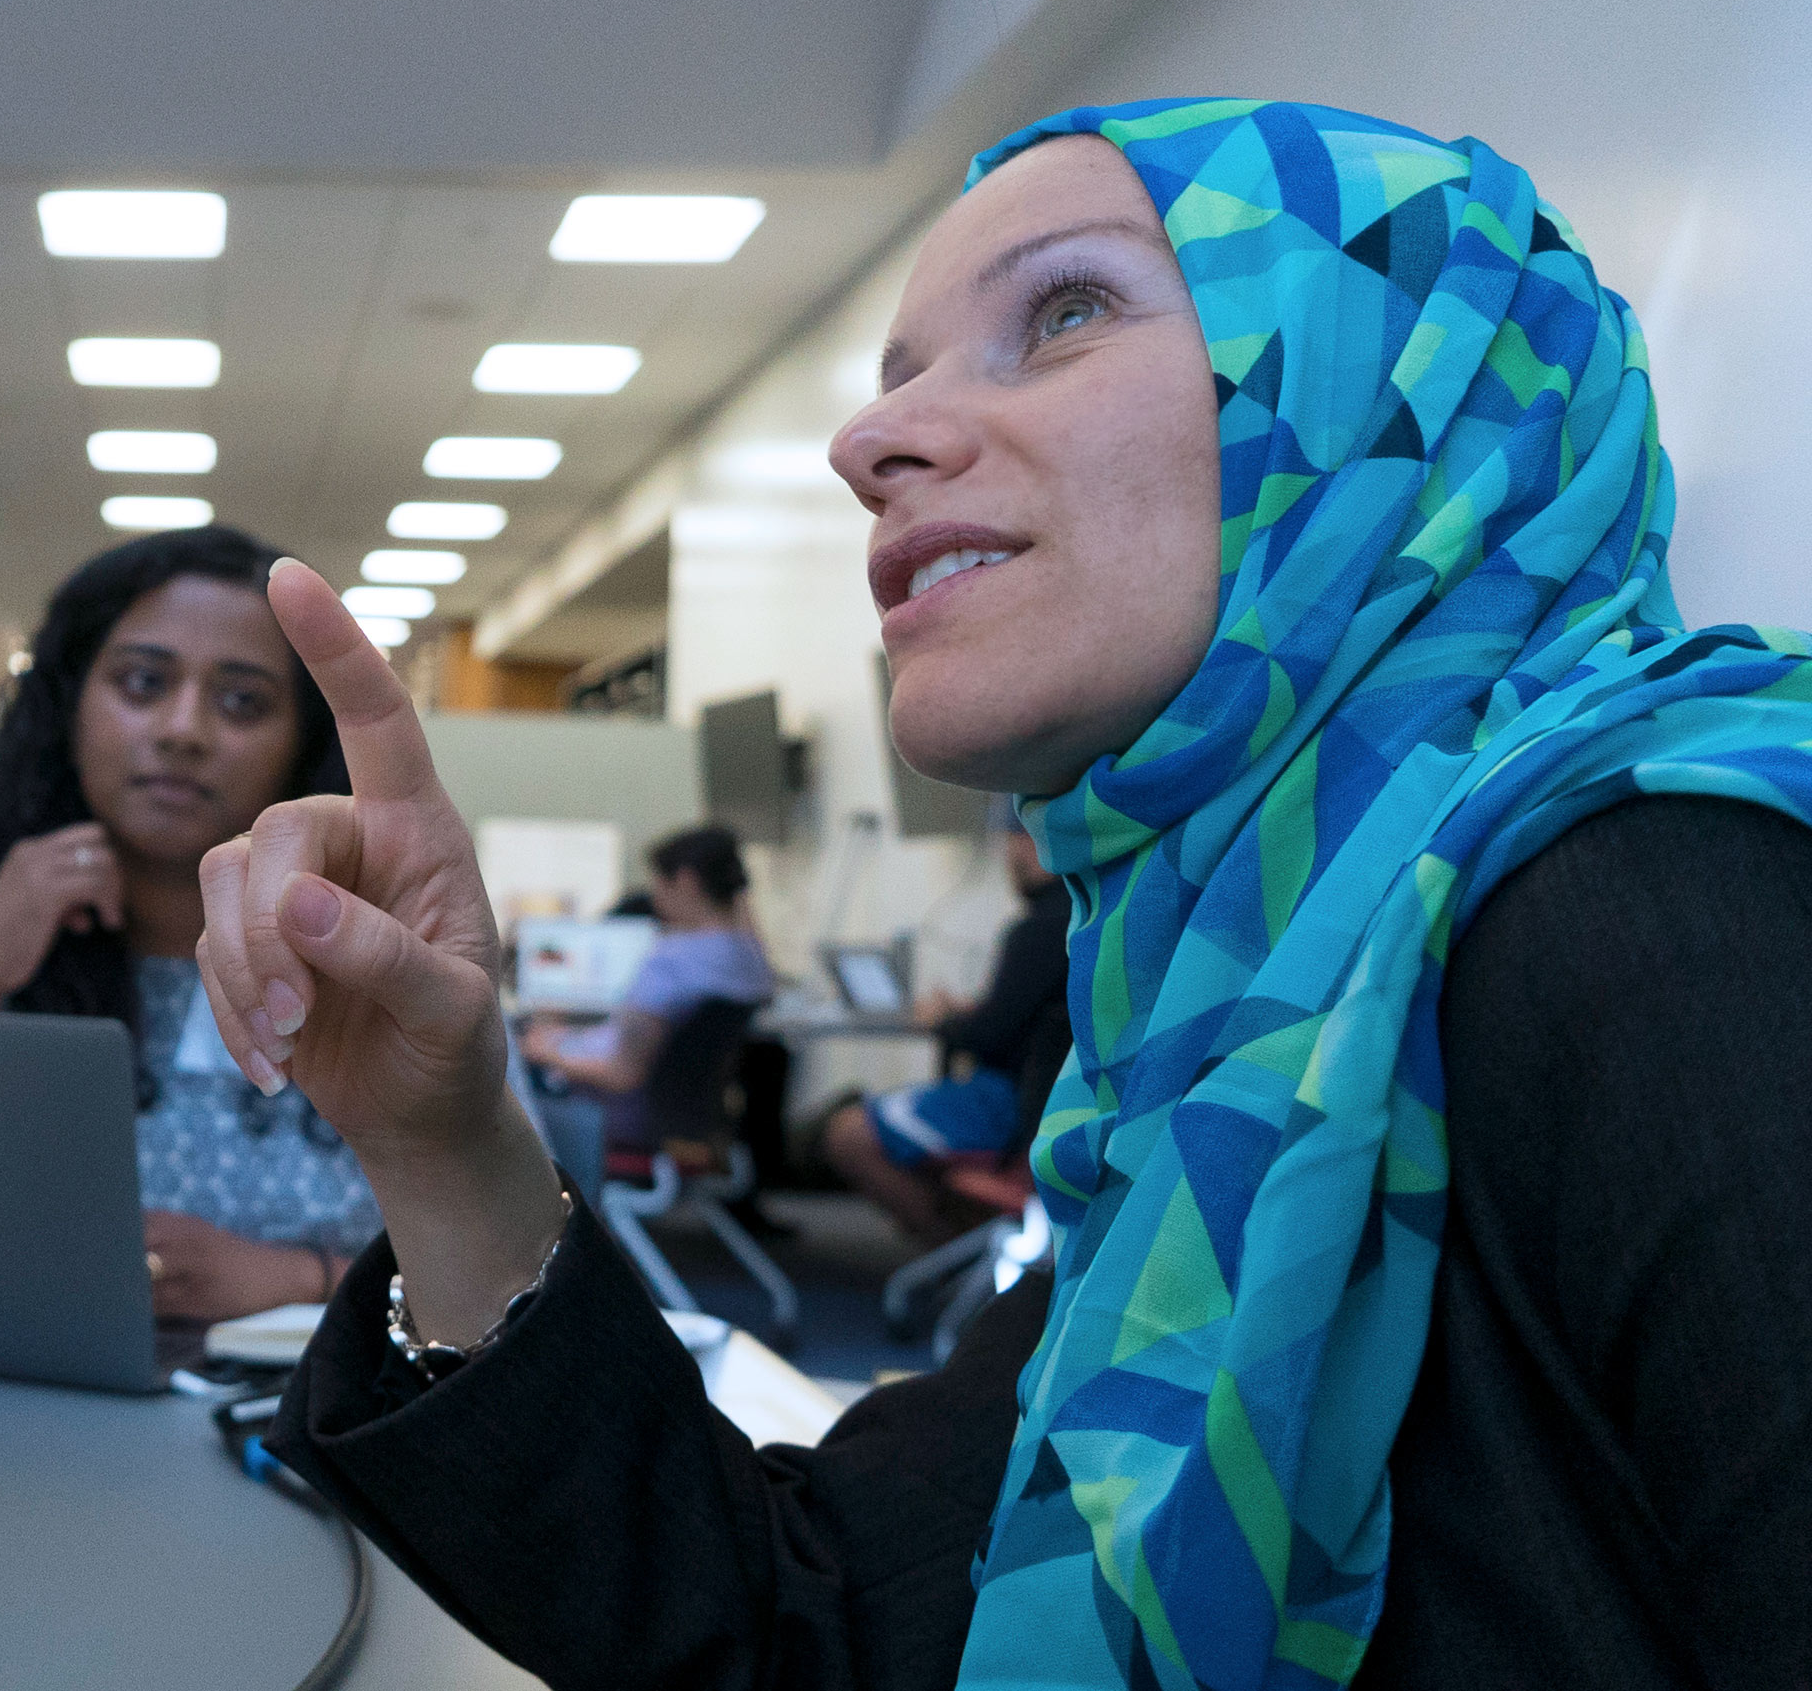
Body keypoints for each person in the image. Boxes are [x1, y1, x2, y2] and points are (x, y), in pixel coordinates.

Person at [200, 101, 1812, 1687]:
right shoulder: (1231, 1012)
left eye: (1066, 309)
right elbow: (810, 1620)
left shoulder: (1671, 902)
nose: (865, 444)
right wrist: (445, 1137)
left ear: (1397, 395)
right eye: (894, 377)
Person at [0, 525, 372, 1324]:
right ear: (68, 708)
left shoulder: (357, 937)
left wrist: (301, 1277)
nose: (183, 730)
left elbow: (516, 1234)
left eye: (242, 702)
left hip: (307, 1387)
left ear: (303, 744)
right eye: (142, 683)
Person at [818, 818, 1071, 1243]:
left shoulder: (1038, 929)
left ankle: (954, 1251)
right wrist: (970, 1014)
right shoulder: (1084, 922)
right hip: (1054, 1109)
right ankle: (974, 1249)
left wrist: (943, 1021)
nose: (1010, 854)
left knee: (848, 1132)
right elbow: (1021, 1019)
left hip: (1011, 1108)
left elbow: (988, 1036)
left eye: (1017, 840)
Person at [514, 825, 776, 1178]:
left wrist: (544, 1052)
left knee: (513, 1071)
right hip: (695, 1118)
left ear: (685, 880)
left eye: (658, 883)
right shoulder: (750, 959)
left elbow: (622, 1074)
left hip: (627, 1119)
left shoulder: (670, 961)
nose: (653, 896)